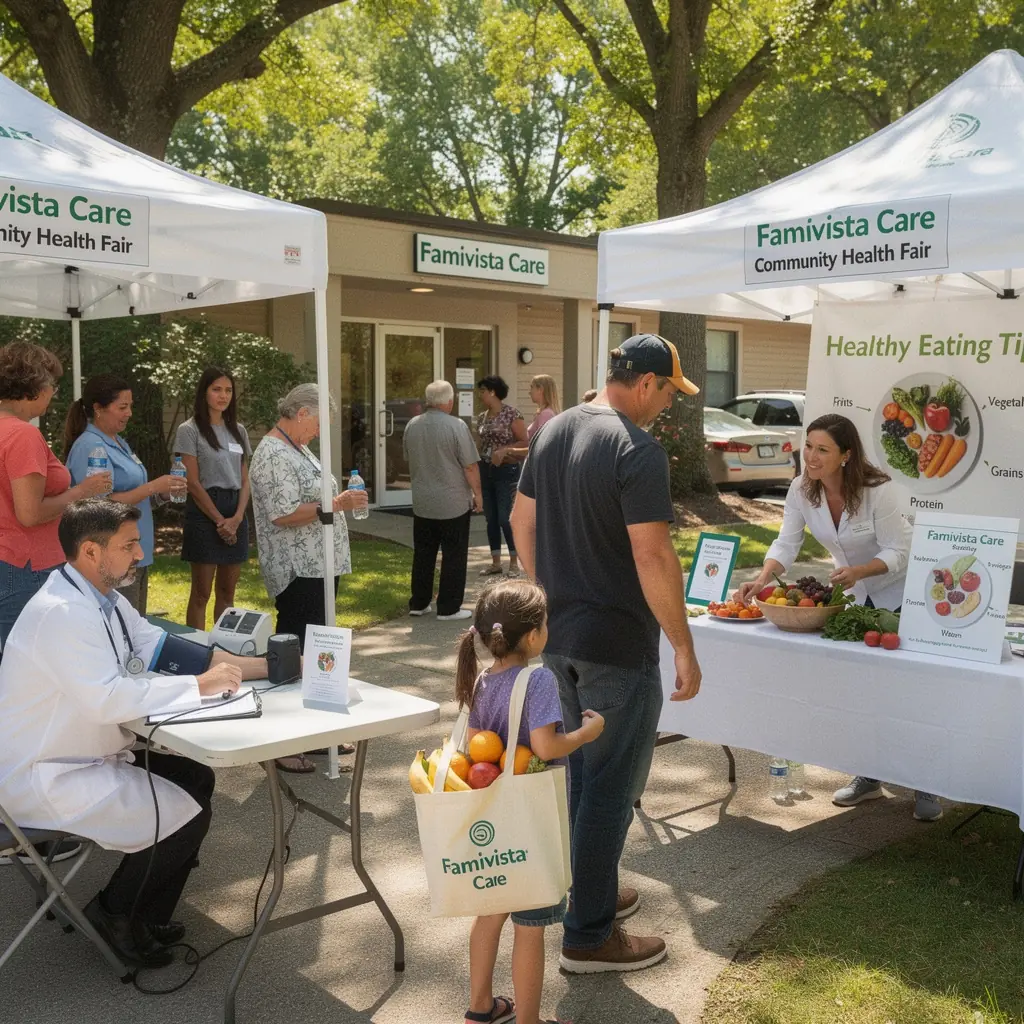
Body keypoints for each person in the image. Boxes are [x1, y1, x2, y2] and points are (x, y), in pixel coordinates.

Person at [0, 499, 269, 969]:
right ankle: (114, 914)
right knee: (184, 815)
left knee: (195, 778)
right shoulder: (61, 612)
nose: (140, 554)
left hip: (80, 754)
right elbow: (105, 700)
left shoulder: (103, 600)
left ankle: (147, 913)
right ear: (90, 551)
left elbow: (161, 647)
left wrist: (264, 667)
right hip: (43, 774)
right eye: (129, 545)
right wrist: (197, 687)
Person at [510, 333, 702, 973]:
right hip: (618, 647)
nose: (668, 406)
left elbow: (520, 522)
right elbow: (652, 554)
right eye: (669, 392)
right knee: (609, 791)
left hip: (558, 640)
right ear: (645, 382)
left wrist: (544, 595)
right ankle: (589, 936)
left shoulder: (556, 427)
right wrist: (683, 645)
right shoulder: (637, 449)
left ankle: (590, 891)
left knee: (584, 779)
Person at [733, 413, 937, 820]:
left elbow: (900, 552)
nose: (811, 456)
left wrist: (859, 571)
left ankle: (927, 785)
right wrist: (762, 579)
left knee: (909, 692)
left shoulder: (880, 491)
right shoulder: (801, 490)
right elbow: (786, 542)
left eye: (822, 449)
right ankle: (869, 776)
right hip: (860, 597)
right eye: (808, 446)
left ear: (846, 455)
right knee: (863, 689)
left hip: (907, 594)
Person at [455, 578, 605, 1024]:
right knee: (529, 926)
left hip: (491, 815)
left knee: (489, 914)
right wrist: (585, 733)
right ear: (536, 634)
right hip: (528, 823)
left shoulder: (483, 678)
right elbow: (545, 747)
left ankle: (480, 1008)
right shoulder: (537, 679)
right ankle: (529, 1021)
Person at [249, 383, 367, 773]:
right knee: (294, 650)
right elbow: (282, 514)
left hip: (319, 564)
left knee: (318, 651)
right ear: (301, 414)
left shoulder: (296, 446)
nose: (319, 432)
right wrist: (335, 504)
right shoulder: (272, 452)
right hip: (298, 569)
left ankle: (313, 733)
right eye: (318, 423)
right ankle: (281, 742)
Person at [0, 342, 112, 651]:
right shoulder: (22, 434)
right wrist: (81, 491)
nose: (53, 393)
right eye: (52, 385)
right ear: (35, 385)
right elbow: (30, 514)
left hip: (9, 561)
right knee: (25, 666)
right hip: (27, 568)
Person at [65, 375, 184, 615]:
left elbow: (133, 499)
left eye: (130, 406)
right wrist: (152, 486)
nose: (129, 413)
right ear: (98, 409)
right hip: (111, 555)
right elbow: (98, 506)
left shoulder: (119, 442)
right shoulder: (90, 445)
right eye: (122, 407)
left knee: (135, 626)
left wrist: (162, 495)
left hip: (136, 551)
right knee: (119, 629)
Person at [174, 367, 252, 629]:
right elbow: (192, 483)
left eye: (228, 390)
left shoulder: (238, 430)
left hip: (236, 510)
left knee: (228, 593)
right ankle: (197, 649)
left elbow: (244, 478)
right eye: (216, 389)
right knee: (201, 593)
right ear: (204, 392)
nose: (223, 395)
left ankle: (221, 648)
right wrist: (220, 521)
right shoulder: (190, 430)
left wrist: (238, 518)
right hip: (205, 510)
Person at [403, 380, 482, 621]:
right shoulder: (456, 426)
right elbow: (469, 466)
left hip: (423, 501)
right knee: (454, 555)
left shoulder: (412, 426)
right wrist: (478, 494)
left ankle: (419, 602)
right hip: (453, 502)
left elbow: (408, 458)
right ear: (449, 401)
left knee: (423, 553)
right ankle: (448, 607)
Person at [476, 375, 527, 577]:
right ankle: (495, 562)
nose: (480, 395)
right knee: (491, 518)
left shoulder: (512, 414)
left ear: (493, 392)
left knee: (506, 518)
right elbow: (480, 443)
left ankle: (514, 562)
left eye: (482, 391)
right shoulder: (482, 417)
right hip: (486, 469)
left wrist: (505, 450)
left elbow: (525, 442)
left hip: (507, 471)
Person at [500, 374, 562, 464]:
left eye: (532, 387)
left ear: (540, 389)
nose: (529, 392)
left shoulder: (546, 414)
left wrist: (509, 450)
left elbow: (540, 448)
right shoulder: (544, 413)